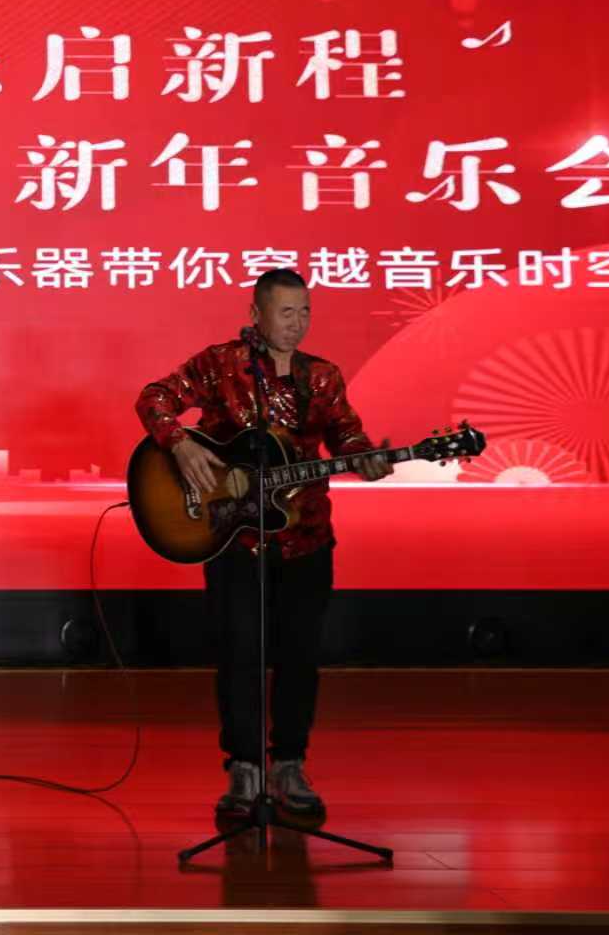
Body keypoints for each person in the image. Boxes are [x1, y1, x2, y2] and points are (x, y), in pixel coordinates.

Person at [134, 268, 388, 818]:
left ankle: (289, 764)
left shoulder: (322, 377)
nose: (297, 323)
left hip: (306, 535)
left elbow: (346, 435)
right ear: (256, 314)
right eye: (285, 312)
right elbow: (154, 398)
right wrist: (179, 444)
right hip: (234, 535)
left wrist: (368, 457)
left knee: (300, 655)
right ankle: (244, 769)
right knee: (240, 652)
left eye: (305, 311)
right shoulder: (220, 364)